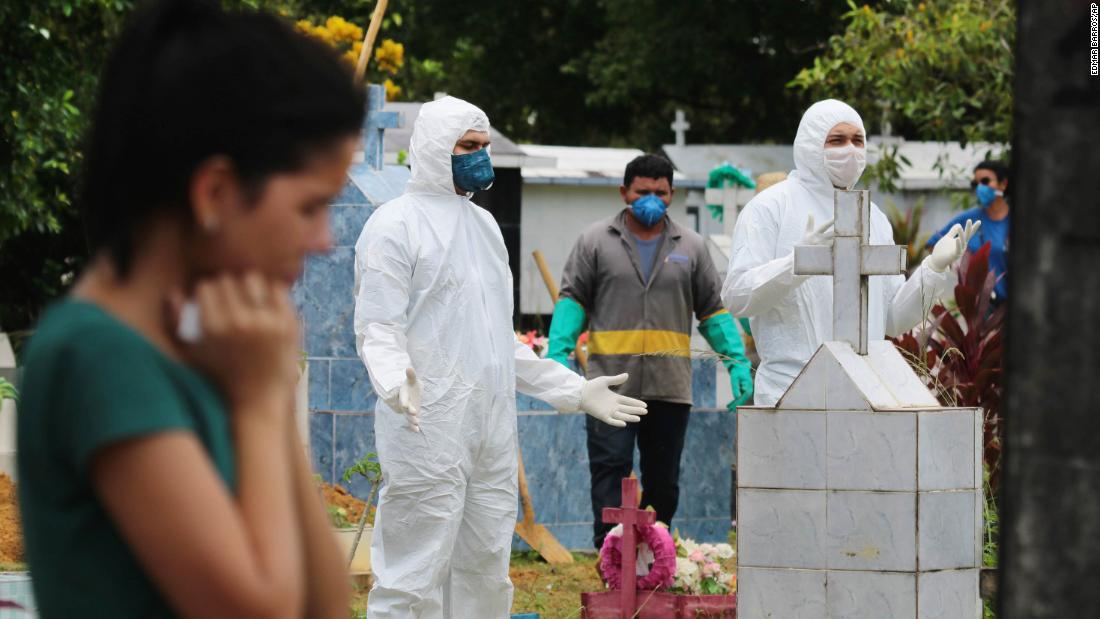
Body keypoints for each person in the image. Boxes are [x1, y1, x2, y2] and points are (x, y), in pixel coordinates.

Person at [17, 1, 361, 617]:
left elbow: (326, 605)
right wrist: (259, 402)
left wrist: (265, 396)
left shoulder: (213, 346)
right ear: (215, 193)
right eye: (311, 207)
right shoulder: (98, 354)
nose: (323, 240)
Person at [353, 96, 647, 619]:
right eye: (468, 147)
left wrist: (572, 389)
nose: (480, 157)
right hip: (426, 425)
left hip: (489, 432)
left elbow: (498, 341)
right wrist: (396, 380)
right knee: (412, 574)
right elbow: (378, 326)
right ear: (434, 149)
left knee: (486, 569)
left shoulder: (485, 229)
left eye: (485, 146)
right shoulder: (394, 225)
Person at [547, 154, 752, 549]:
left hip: (669, 389)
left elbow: (712, 311)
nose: (651, 199)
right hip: (609, 385)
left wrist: (737, 360)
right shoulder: (594, 241)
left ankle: (654, 558)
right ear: (624, 192)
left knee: (663, 482)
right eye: (643, 191)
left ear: (672, 194)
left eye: (660, 192)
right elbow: (572, 301)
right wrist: (557, 355)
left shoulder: (691, 247)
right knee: (609, 473)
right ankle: (610, 558)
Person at [722, 99, 980, 406]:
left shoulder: (872, 217)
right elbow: (738, 296)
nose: (850, 150)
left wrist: (934, 269)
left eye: (858, 140)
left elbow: (893, 319)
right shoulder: (771, 207)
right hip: (790, 391)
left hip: (862, 390)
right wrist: (798, 263)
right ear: (810, 145)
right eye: (837, 140)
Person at [927, 160, 1010, 303]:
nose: (980, 188)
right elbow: (933, 244)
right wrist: (954, 266)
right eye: (975, 184)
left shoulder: (1020, 220)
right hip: (981, 308)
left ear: (1003, 184)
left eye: (985, 181)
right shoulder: (968, 220)